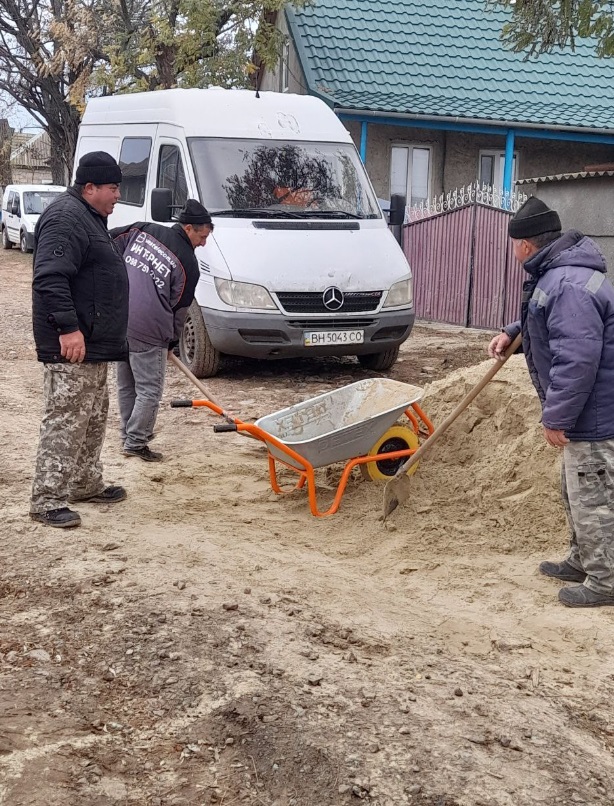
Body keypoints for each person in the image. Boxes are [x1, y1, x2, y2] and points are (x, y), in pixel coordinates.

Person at [488, 196, 614, 608]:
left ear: (525, 245)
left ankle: (605, 580)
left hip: (595, 414)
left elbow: (576, 359)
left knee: (592, 496)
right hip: (589, 410)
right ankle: (581, 559)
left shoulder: (569, 284)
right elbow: (549, 324)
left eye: (513, 245)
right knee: (574, 490)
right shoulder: (560, 276)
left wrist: (555, 418)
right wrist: (513, 332)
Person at [30, 152, 129, 528]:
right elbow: (49, 278)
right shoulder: (66, 218)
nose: (118, 195)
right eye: (113, 187)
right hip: (73, 343)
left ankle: (85, 483)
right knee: (67, 419)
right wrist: (68, 329)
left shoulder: (90, 217)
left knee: (92, 417)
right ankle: (47, 499)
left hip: (95, 342)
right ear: (90, 187)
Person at [111, 200, 213, 462]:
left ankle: (127, 435)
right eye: (202, 236)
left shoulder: (144, 229)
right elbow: (180, 309)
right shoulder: (188, 264)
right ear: (188, 228)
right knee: (149, 390)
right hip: (150, 330)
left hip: (120, 322)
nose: (203, 243)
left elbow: (110, 241)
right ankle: (136, 441)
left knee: (126, 383)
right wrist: (170, 341)